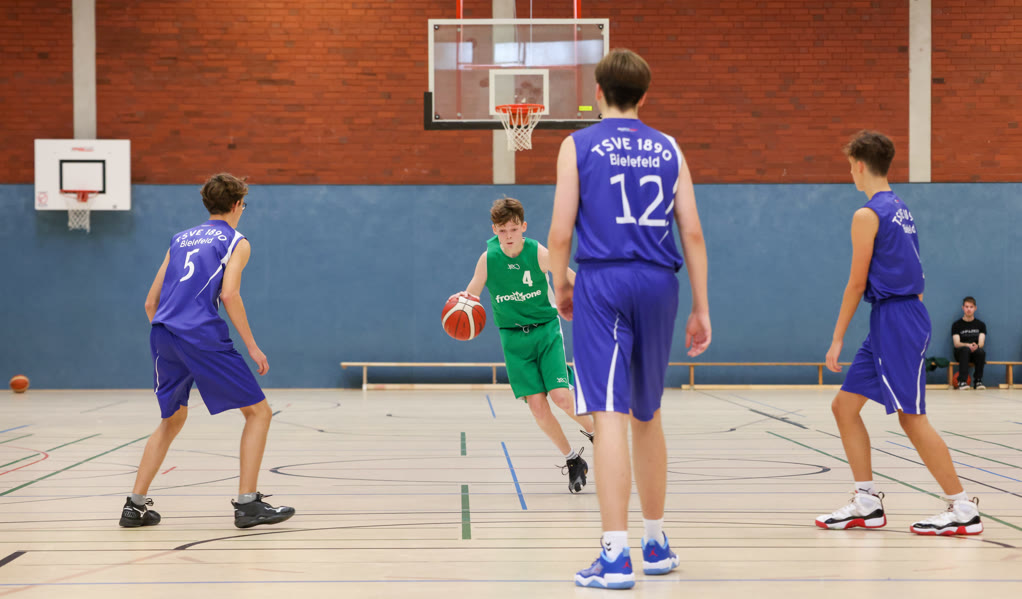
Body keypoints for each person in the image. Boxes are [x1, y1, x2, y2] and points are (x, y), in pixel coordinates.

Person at [547, 48, 711, 589]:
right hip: (660, 282)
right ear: (644, 96)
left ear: (598, 93)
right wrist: (701, 306)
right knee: (648, 413)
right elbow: (692, 231)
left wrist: (561, 285)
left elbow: (560, 233)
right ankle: (656, 542)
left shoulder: (577, 145)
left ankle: (615, 554)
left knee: (609, 414)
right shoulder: (669, 147)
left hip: (605, 281)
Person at [818, 131, 982, 537]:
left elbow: (856, 283)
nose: (850, 173)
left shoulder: (867, 214)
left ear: (859, 165)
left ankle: (962, 507)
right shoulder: (901, 209)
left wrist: (837, 337)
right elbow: (917, 276)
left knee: (911, 418)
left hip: (897, 320)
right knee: (844, 407)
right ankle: (866, 502)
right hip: (896, 317)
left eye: (849, 166)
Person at [120, 173, 295, 529]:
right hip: (200, 335)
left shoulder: (179, 239)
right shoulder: (236, 241)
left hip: (163, 334)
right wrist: (252, 347)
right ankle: (247, 504)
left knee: (171, 420)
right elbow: (229, 294)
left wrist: (171, 335)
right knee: (259, 413)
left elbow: (150, 302)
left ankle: (134, 506)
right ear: (237, 204)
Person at [452, 197, 595, 493]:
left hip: (545, 331)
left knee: (561, 397)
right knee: (538, 407)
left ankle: (600, 436)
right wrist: (460, 307)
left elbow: (568, 275)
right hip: (514, 339)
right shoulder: (488, 259)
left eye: (513, 229)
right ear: (494, 230)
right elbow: (472, 294)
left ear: (523, 227)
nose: (508, 236)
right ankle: (572, 460)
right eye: (502, 230)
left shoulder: (538, 253)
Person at [952, 296, 986, 390]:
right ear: (963, 308)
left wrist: (976, 346)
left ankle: (978, 381)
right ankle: (962, 381)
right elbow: (956, 343)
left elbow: (981, 343)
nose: (969, 309)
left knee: (981, 352)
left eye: (971, 307)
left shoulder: (981, 325)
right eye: (966, 307)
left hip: (974, 352)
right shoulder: (956, 325)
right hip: (960, 352)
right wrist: (967, 345)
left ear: (975, 308)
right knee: (965, 350)